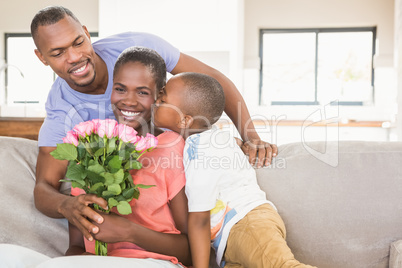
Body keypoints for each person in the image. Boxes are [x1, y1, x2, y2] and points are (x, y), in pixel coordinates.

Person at [31, 6, 278, 242]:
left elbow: (212, 81)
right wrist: (65, 205)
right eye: (58, 52)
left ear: (86, 32)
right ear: (41, 58)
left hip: (181, 161)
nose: (75, 57)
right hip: (152, 189)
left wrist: (250, 135)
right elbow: (44, 187)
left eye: (78, 42)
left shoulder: (136, 47)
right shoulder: (61, 108)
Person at [152, 72, 316, 268]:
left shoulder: (200, 150)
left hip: (247, 225)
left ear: (184, 121)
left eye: (162, 100)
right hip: (232, 240)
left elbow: (199, 219)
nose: (154, 102)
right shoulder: (213, 136)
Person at [67, 47, 190, 267]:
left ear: (159, 95)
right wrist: (79, 258)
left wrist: (129, 231)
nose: (129, 101)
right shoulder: (90, 147)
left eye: (142, 92)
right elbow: (75, 245)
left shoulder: (172, 148)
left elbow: (192, 249)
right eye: (120, 89)